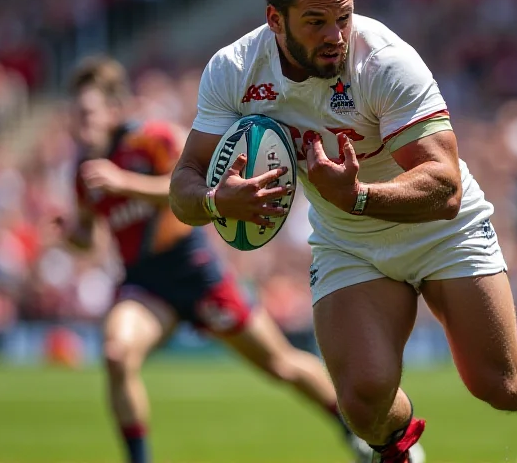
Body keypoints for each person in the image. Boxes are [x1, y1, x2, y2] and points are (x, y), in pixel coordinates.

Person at [169, 0, 517, 463]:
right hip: (349, 241)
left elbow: (444, 186)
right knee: (361, 402)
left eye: (344, 17)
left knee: (502, 386)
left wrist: (357, 196)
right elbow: (183, 186)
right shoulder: (233, 70)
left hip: (440, 229)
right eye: (316, 22)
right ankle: (402, 451)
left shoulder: (385, 61)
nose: (335, 36)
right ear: (275, 20)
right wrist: (215, 201)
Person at [57, 55, 373, 463]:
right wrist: (72, 236)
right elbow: (87, 236)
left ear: (115, 110)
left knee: (281, 365)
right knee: (117, 354)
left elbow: (190, 189)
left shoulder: (152, 140)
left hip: (195, 272)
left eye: (88, 113)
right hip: (145, 285)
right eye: (75, 115)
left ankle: (355, 432)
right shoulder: (84, 170)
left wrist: (125, 183)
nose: (80, 124)